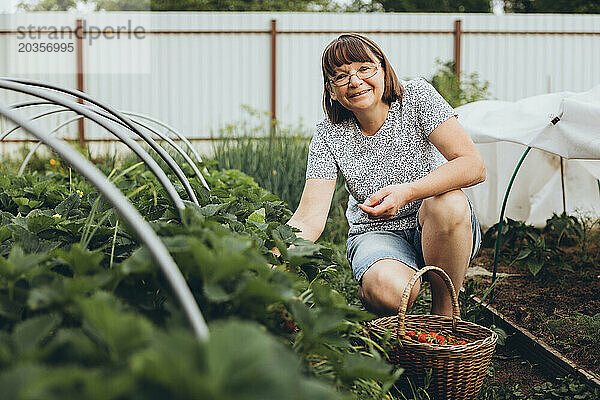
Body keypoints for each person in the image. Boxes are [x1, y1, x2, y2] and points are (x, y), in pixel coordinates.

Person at [285, 33, 484, 318]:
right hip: (376, 233)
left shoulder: (417, 98)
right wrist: (273, 256)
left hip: (437, 225)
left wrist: (407, 192)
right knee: (388, 292)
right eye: (340, 76)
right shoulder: (329, 133)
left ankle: (445, 311)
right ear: (331, 91)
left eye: (364, 68)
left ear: (383, 68)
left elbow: (472, 165)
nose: (354, 81)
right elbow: (309, 218)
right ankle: (378, 284)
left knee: (448, 202)